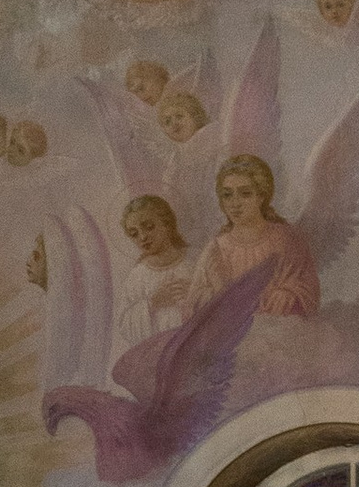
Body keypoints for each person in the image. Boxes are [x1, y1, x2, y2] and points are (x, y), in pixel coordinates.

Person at [189, 150, 320, 318]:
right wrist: (214, 295)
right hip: (231, 334)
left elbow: (309, 288)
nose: (235, 203)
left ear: (261, 196)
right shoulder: (217, 248)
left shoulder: (285, 238)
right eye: (227, 195)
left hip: (279, 330)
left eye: (245, 194)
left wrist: (289, 294)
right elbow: (193, 301)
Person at [111, 192, 195, 355]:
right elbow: (124, 325)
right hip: (159, 354)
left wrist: (196, 293)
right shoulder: (137, 277)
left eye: (149, 227)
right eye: (134, 234)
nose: (143, 237)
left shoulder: (194, 261)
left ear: (167, 224)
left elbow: (221, 301)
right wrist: (153, 303)